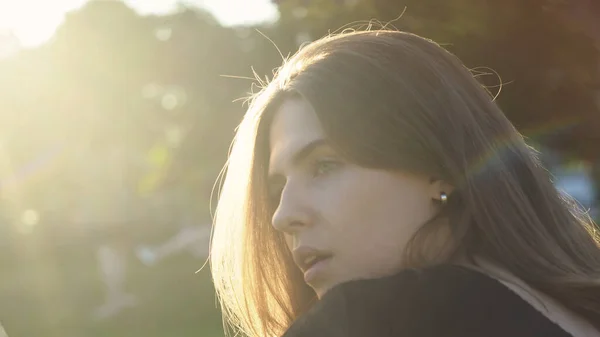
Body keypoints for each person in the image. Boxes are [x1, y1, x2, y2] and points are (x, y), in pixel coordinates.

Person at [210, 30, 600, 337]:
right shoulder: (581, 309)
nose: (282, 216)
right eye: (278, 189)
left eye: (324, 166)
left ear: (440, 167)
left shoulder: (376, 318)